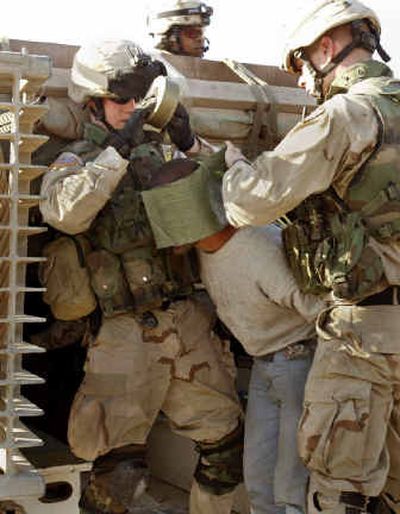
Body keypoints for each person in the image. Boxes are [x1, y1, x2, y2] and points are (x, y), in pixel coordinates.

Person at [38, 39, 243, 514]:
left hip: (184, 320)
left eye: (138, 98)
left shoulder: (163, 151)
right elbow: (63, 211)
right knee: (117, 471)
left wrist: (190, 142)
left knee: (226, 450)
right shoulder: (78, 158)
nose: (132, 109)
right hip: (123, 332)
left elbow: (236, 189)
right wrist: (118, 151)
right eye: (120, 99)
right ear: (92, 102)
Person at [220, 1, 400, 513]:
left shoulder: (347, 115)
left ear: (328, 45)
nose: (301, 81)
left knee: (341, 487)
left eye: (300, 64)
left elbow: (250, 202)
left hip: (367, 332)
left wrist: (236, 168)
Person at [138, 151, 326, 514]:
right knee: (257, 480)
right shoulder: (207, 250)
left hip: (299, 362)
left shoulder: (260, 248)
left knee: (291, 485)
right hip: (265, 366)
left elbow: (319, 310)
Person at [147, 0, 213, 58]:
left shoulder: (207, 70)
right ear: (171, 37)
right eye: (192, 33)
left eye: (202, 33)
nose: (200, 39)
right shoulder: (147, 70)